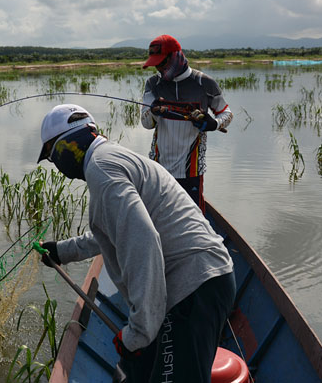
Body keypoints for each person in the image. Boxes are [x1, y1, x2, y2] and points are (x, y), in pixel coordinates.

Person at [36, 103, 236, 383]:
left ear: (69, 143)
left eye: (52, 155)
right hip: (206, 279)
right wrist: (61, 251)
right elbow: (115, 231)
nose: (56, 166)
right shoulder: (109, 158)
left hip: (192, 289)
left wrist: (138, 333)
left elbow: (144, 244)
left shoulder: (102, 170)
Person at [140, 34, 233, 212]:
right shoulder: (153, 84)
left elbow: (226, 113)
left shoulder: (204, 83)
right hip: (159, 168)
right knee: (158, 217)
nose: (158, 68)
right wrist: (152, 111)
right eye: (155, 64)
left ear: (175, 57)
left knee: (195, 219)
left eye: (161, 62)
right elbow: (146, 124)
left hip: (191, 170)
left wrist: (214, 124)